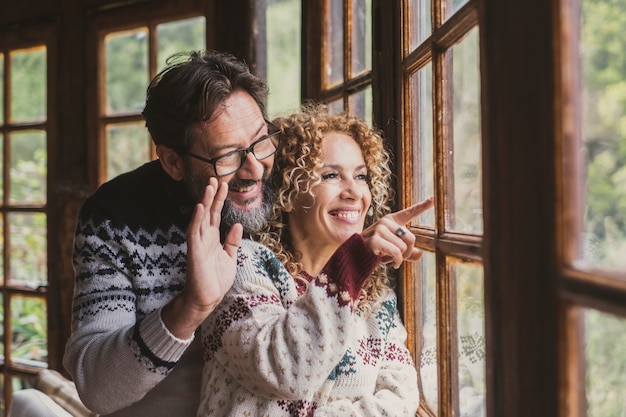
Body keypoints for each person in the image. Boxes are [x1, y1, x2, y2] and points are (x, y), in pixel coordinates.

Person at [62, 49, 278, 417]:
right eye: (228, 156)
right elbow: (96, 389)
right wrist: (191, 307)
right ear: (173, 162)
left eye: (261, 140)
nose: (255, 169)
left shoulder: (289, 191)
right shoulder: (115, 216)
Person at [197, 103, 434, 416]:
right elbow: (285, 372)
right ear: (288, 193)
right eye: (331, 175)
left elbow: (400, 397)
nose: (354, 192)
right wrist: (353, 262)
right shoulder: (243, 267)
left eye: (361, 176)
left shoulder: (374, 294)